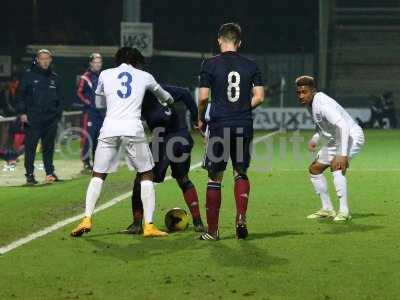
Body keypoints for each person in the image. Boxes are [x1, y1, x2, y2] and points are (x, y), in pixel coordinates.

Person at [71, 47, 173, 238]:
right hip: (132, 128)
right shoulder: (144, 76)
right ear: (136, 61)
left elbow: (99, 93)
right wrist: (169, 100)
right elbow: (163, 95)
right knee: (146, 173)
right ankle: (149, 225)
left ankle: (86, 218)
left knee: (98, 174)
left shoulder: (105, 74)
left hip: (109, 128)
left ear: (117, 60)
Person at [119, 49, 204, 234]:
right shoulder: (157, 89)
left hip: (165, 139)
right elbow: (185, 94)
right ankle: (198, 222)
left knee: (142, 178)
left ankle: (136, 224)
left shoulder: (141, 95)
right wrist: (198, 118)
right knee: (183, 179)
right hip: (181, 137)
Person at [197, 23, 265, 240]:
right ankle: (241, 218)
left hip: (219, 125)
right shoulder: (251, 65)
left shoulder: (209, 64)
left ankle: (213, 231)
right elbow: (260, 96)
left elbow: (203, 97)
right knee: (240, 172)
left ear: (219, 40)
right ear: (239, 42)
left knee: (214, 177)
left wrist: (200, 119)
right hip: (243, 124)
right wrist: (242, 108)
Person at [295, 75, 365, 222]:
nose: (301, 96)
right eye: (298, 92)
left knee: (336, 165)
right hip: (337, 137)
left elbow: (343, 126)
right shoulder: (310, 104)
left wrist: (343, 154)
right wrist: (315, 139)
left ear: (312, 91)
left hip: (351, 135)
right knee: (315, 169)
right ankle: (327, 209)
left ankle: (344, 211)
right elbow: (321, 126)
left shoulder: (323, 105)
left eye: (304, 92)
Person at [15, 49, 63, 185]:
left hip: (50, 119)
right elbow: (20, 96)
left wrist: (58, 115)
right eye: (42, 58)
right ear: (37, 59)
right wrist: (22, 113)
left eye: (47, 58)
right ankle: (30, 175)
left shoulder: (55, 77)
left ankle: (49, 173)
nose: (45, 61)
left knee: (48, 148)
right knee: (31, 148)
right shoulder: (28, 76)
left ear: (51, 60)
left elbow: (60, 99)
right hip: (33, 119)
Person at [76, 53, 105, 172]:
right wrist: (88, 102)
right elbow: (79, 92)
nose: (98, 64)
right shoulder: (86, 77)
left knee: (99, 138)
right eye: (96, 62)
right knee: (88, 137)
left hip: (101, 113)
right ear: (91, 63)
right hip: (90, 113)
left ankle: (97, 162)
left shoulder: (103, 77)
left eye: (100, 62)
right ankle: (86, 162)